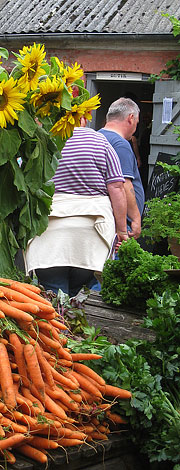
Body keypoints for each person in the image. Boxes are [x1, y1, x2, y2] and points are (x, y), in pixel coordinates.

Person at [24, 117, 128, 297]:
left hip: (49, 235)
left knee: (56, 305)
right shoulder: (100, 142)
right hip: (91, 237)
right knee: (85, 304)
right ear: (83, 116)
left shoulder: (43, 141)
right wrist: (122, 231)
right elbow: (117, 187)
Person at [98, 97, 145, 242]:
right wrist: (135, 219)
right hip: (120, 225)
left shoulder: (96, 137)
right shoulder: (120, 144)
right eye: (136, 123)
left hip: (104, 220)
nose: (135, 128)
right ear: (131, 118)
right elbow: (123, 184)